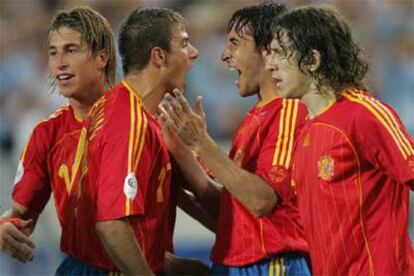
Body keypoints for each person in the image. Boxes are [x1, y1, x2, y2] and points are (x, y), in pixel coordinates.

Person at [158, 2, 310, 275]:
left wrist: (202, 144)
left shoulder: (288, 110)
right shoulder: (255, 116)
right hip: (236, 263)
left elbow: (262, 201)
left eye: (235, 43)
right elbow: (233, 217)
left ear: (268, 50)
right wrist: (173, 181)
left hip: (271, 265)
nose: (224, 55)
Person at [265, 4, 414, 275]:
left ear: (312, 59)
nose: (269, 63)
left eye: (279, 52)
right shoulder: (304, 130)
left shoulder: (364, 114)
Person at [68, 7, 206, 275]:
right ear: (159, 56)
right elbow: (111, 225)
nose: (194, 52)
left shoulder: (133, 112)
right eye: (185, 43)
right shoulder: (128, 122)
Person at [0, 5, 117, 268]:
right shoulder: (46, 133)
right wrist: (6, 226)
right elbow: (19, 213)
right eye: (53, 52)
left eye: (71, 50)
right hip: (79, 268)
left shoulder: (136, 119)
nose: (59, 62)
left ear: (102, 57)